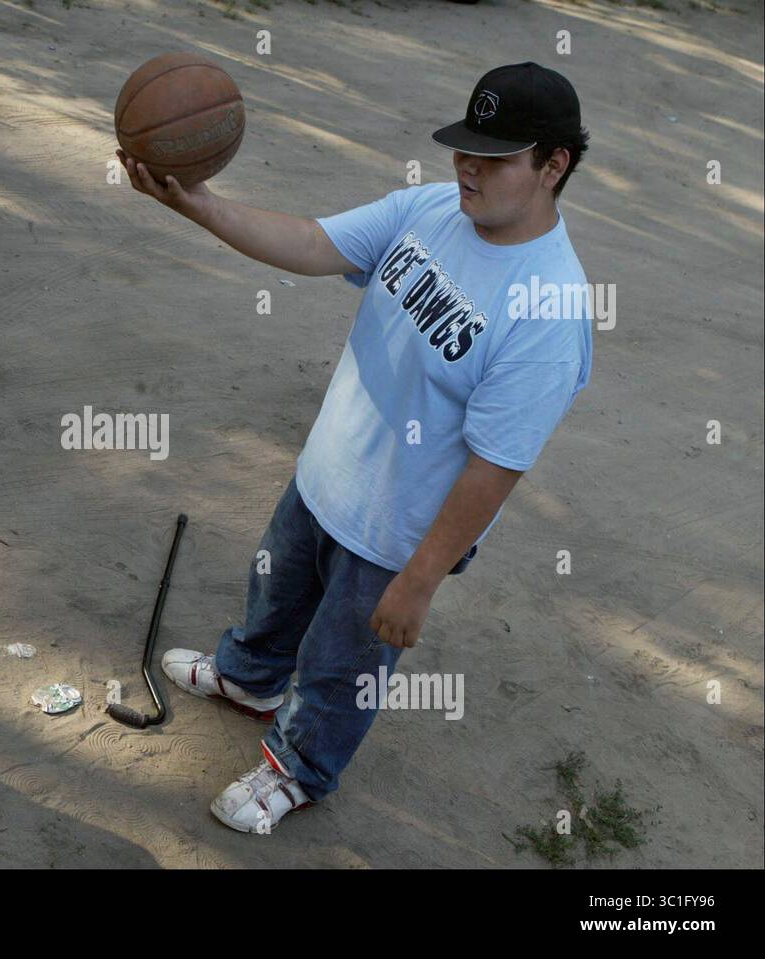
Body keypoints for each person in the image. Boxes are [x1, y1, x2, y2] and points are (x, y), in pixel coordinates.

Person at [117, 62, 592, 832]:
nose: (468, 168)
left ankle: (297, 769)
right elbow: (312, 243)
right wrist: (197, 204)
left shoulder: (549, 310)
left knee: (343, 666)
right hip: (326, 475)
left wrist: (421, 579)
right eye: (464, 148)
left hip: (397, 537)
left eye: (495, 157)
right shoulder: (435, 209)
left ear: (553, 164)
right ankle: (249, 677)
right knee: (275, 595)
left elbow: (496, 465)